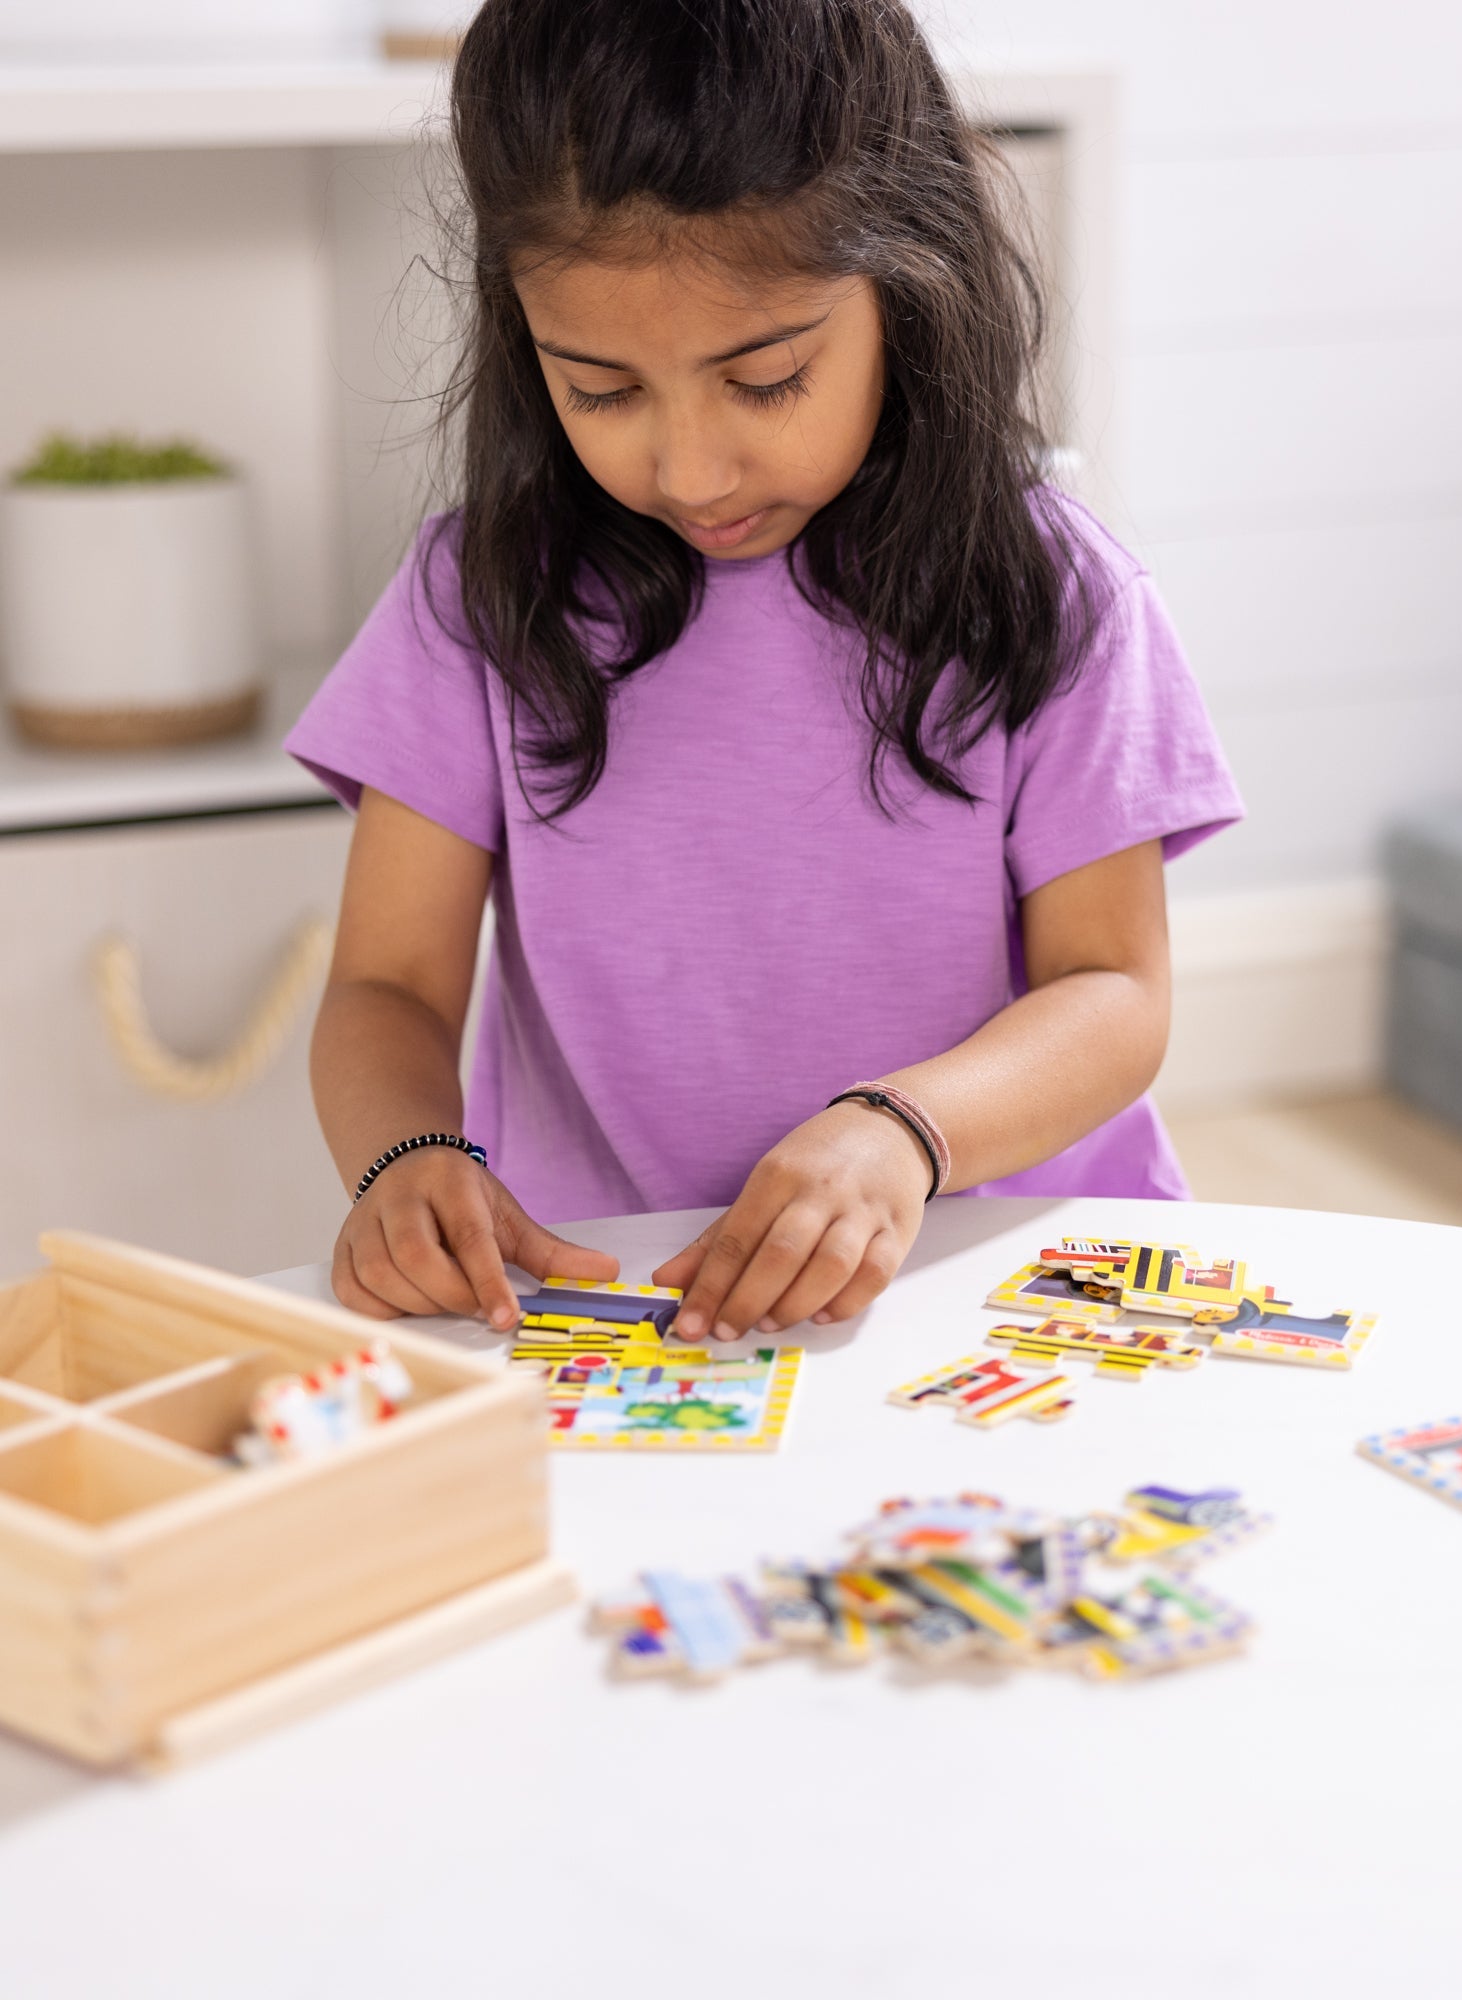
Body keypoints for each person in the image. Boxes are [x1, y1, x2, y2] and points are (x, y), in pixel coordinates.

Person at [288, 0, 1241, 1344]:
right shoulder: (481, 600)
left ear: (909, 286)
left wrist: (902, 1133)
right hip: (626, 1310)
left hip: (999, 1284)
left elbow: (1115, 992)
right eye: (603, 391)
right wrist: (403, 1161)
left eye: (767, 379)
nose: (688, 469)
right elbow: (388, 985)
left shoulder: (1055, 593)